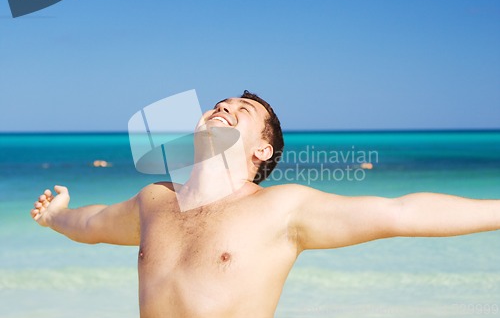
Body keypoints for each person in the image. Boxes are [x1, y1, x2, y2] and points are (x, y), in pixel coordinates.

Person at [31, 91, 500, 318]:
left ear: (262, 151)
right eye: (219, 103)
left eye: (244, 111)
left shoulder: (282, 209)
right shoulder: (154, 201)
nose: (225, 107)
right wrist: (54, 216)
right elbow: (91, 222)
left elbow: (403, 212)